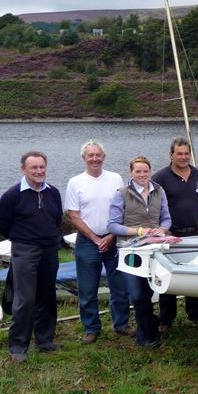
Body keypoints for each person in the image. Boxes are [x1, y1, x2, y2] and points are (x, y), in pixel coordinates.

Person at [0, 151, 62, 363]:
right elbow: (2, 224)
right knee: (25, 298)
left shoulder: (53, 193)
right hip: (25, 250)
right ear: (23, 169)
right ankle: (18, 346)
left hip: (50, 249)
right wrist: (23, 239)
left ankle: (44, 340)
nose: (39, 171)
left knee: (47, 294)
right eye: (34, 168)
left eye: (42, 167)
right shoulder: (12, 195)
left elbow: (57, 218)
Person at [65, 140, 132, 343]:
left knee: (119, 285)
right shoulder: (75, 182)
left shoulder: (115, 178)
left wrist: (111, 236)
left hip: (114, 239)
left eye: (98, 155)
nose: (94, 159)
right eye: (90, 155)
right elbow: (74, 215)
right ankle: (91, 328)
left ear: (104, 157)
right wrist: (95, 238)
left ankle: (121, 324)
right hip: (87, 241)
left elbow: (123, 209)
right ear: (83, 158)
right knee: (87, 288)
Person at [108, 156, 171, 348]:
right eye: (138, 171)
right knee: (136, 294)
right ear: (131, 173)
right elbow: (112, 225)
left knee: (149, 291)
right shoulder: (122, 193)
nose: (142, 175)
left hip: (154, 250)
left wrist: (162, 229)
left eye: (145, 171)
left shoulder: (159, 191)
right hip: (131, 251)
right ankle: (146, 335)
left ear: (150, 171)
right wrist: (139, 231)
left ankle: (148, 331)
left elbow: (167, 218)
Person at [152, 137, 198, 330]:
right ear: (171, 155)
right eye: (180, 153)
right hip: (171, 234)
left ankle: (195, 312)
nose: (184, 157)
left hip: (194, 233)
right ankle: (166, 318)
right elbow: (153, 205)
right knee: (168, 276)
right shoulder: (160, 177)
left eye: (187, 153)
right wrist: (161, 229)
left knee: (194, 275)